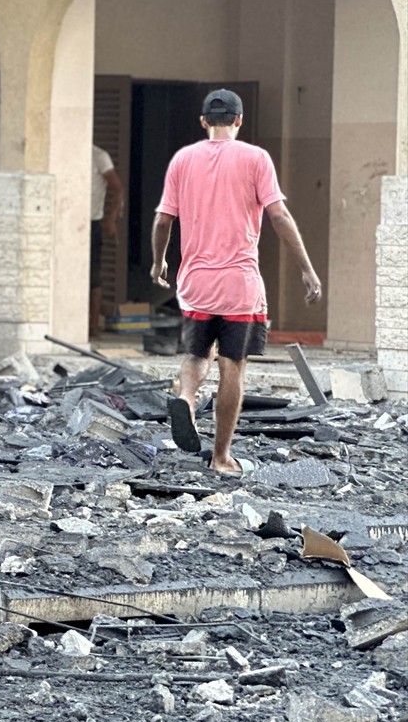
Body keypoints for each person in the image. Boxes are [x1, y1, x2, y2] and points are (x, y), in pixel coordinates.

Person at [151, 89, 321, 477]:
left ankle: (186, 398)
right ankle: (221, 457)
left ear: (203, 121)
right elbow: (279, 216)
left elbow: (163, 220)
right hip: (239, 286)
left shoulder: (183, 160)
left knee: (198, 353)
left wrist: (159, 262)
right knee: (233, 367)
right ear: (239, 120)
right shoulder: (256, 159)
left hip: (195, 283)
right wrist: (306, 268)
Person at [89, 145, 124, 337]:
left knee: (94, 275)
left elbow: (117, 188)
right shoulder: (69, 152)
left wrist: (110, 219)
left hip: (92, 221)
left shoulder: (99, 156)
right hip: (69, 221)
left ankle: (93, 325)